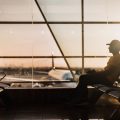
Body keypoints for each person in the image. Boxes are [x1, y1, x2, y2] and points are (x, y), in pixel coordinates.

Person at [74, 40, 120, 104]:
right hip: (105, 78)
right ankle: (80, 99)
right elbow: (107, 71)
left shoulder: (117, 58)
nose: (108, 48)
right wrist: (94, 72)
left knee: (83, 78)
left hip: (107, 80)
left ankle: (80, 99)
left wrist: (95, 74)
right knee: (84, 77)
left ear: (115, 47)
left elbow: (108, 72)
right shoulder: (114, 57)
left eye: (110, 46)